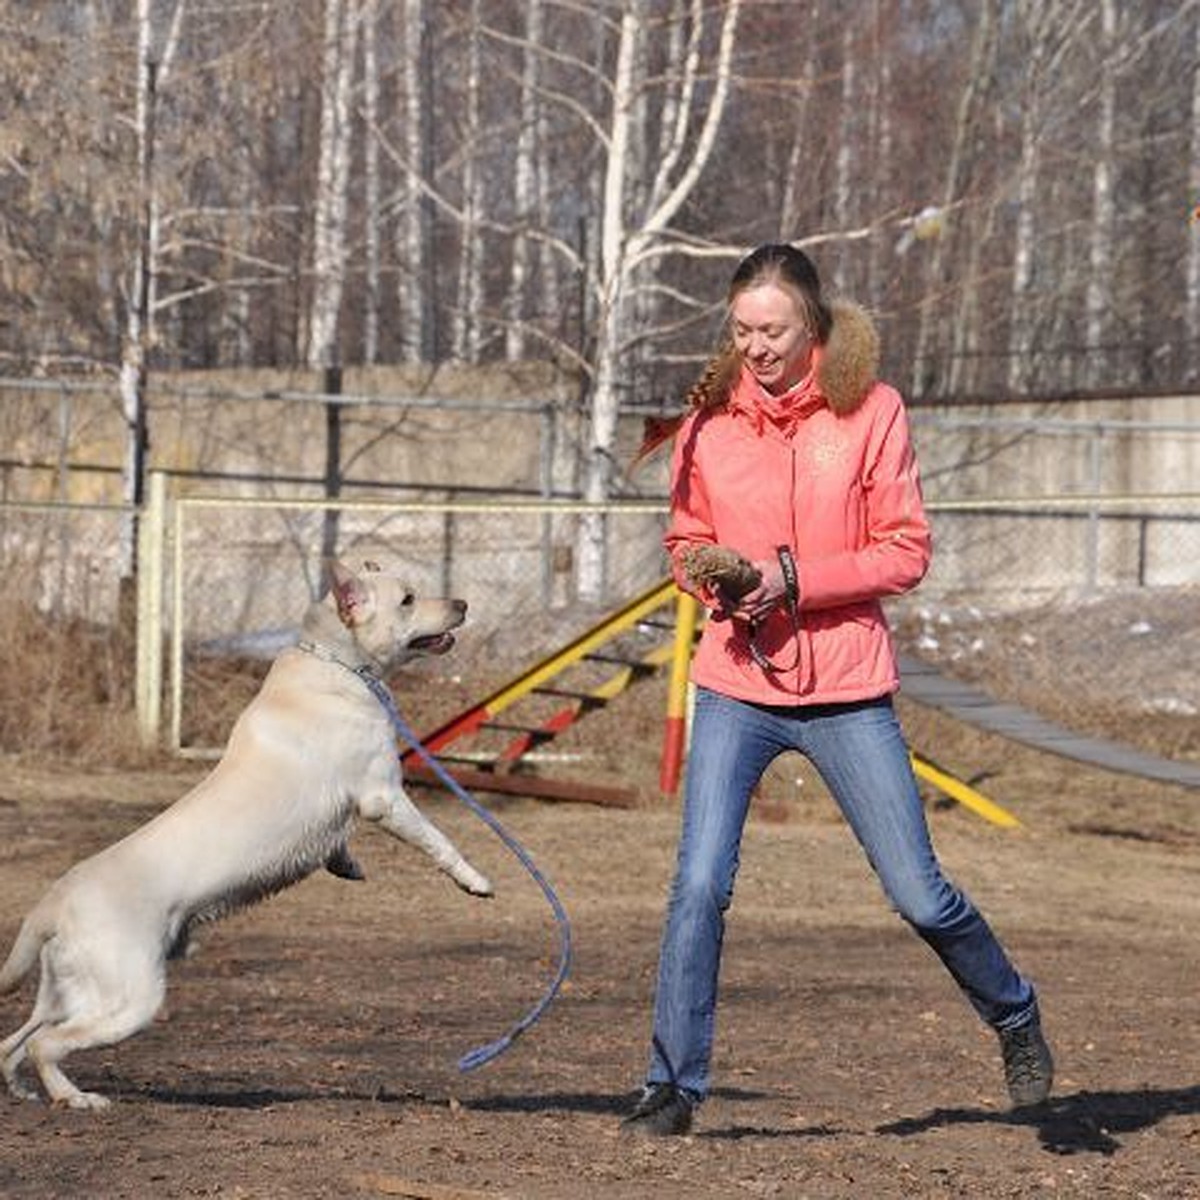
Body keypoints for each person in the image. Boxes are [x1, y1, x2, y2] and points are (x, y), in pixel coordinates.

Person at [621, 242, 1052, 1138]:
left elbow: (905, 550)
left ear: (811, 326)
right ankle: (672, 1084)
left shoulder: (870, 412)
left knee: (918, 892)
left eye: (772, 330)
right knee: (698, 883)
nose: (756, 348)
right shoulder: (709, 420)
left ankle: (1013, 1013)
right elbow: (683, 540)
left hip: (848, 686)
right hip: (737, 682)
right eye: (742, 330)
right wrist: (716, 581)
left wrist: (793, 576)